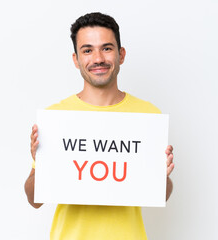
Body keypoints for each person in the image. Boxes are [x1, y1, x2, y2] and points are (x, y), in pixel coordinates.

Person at [24, 12, 174, 240]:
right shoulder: (57, 117)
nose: (98, 58)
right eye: (87, 50)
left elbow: (160, 195)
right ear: (76, 59)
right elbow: (35, 200)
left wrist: (161, 175)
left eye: (106, 48)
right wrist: (40, 161)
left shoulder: (147, 115)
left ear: (121, 54)